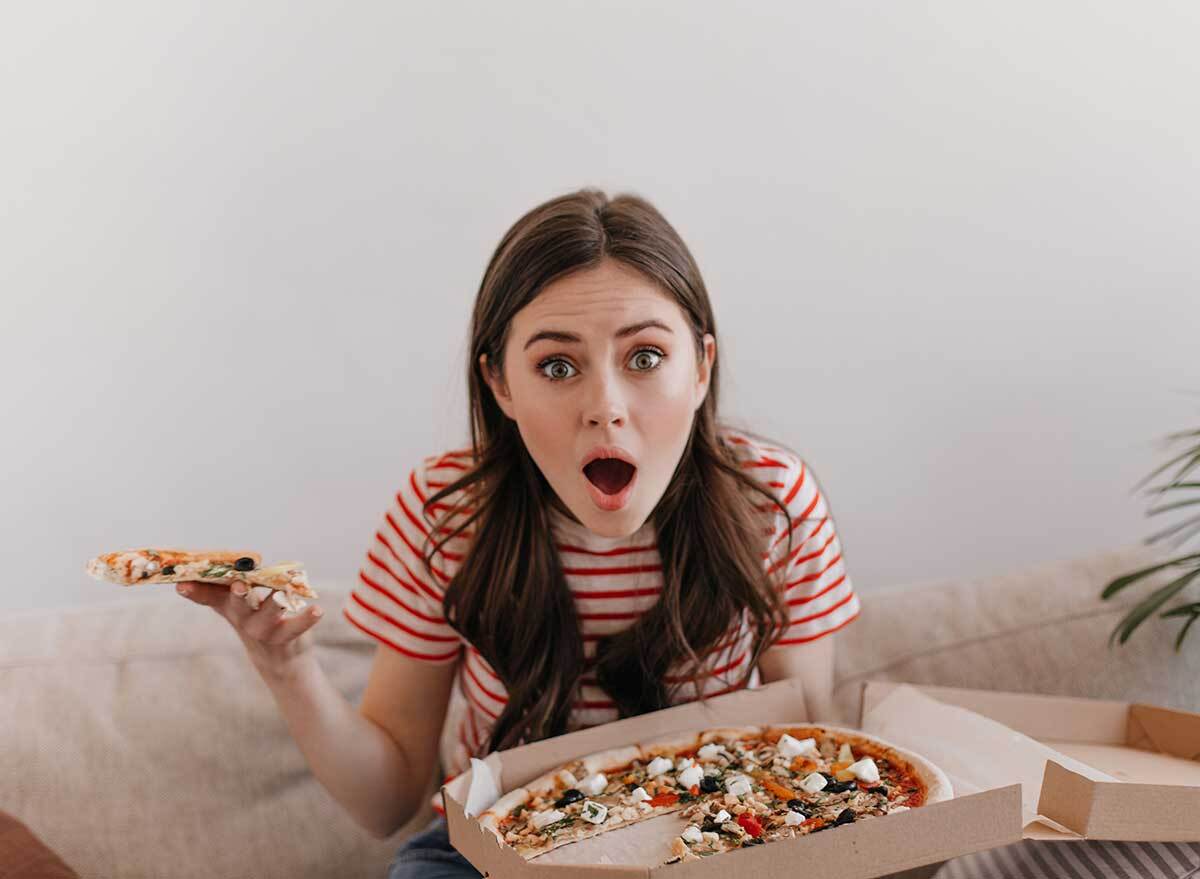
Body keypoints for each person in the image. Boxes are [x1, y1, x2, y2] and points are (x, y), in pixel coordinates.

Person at [174, 188, 862, 878]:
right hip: (489, 854)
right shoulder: (446, 515)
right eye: (557, 366)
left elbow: (808, 762)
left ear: (702, 367)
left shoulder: (772, 503)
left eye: (646, 357)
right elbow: (388, 804)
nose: (605, 408)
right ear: (500, 384)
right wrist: (285, 666)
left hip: (712, 841)